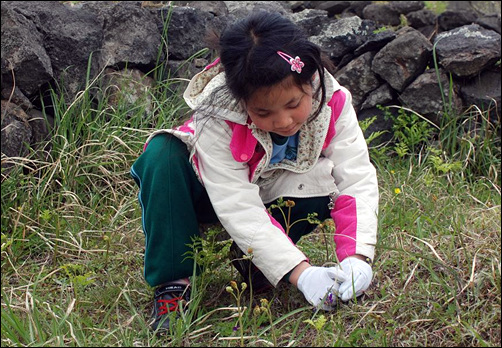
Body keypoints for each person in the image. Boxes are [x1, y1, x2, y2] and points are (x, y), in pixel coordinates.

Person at [130, 11, 379, 331]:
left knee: (322, 179)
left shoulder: (333, 102)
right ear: (241, 100)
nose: (284, 121)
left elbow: (355, 177)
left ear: (309, 81)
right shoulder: (217, 115)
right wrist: (302, 272)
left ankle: (256, 265)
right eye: (263, 112)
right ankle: (173, 284)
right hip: (206, 191)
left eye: (293, 104)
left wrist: (357, 257)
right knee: (161, 154)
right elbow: (237, 203)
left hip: (274, 188)